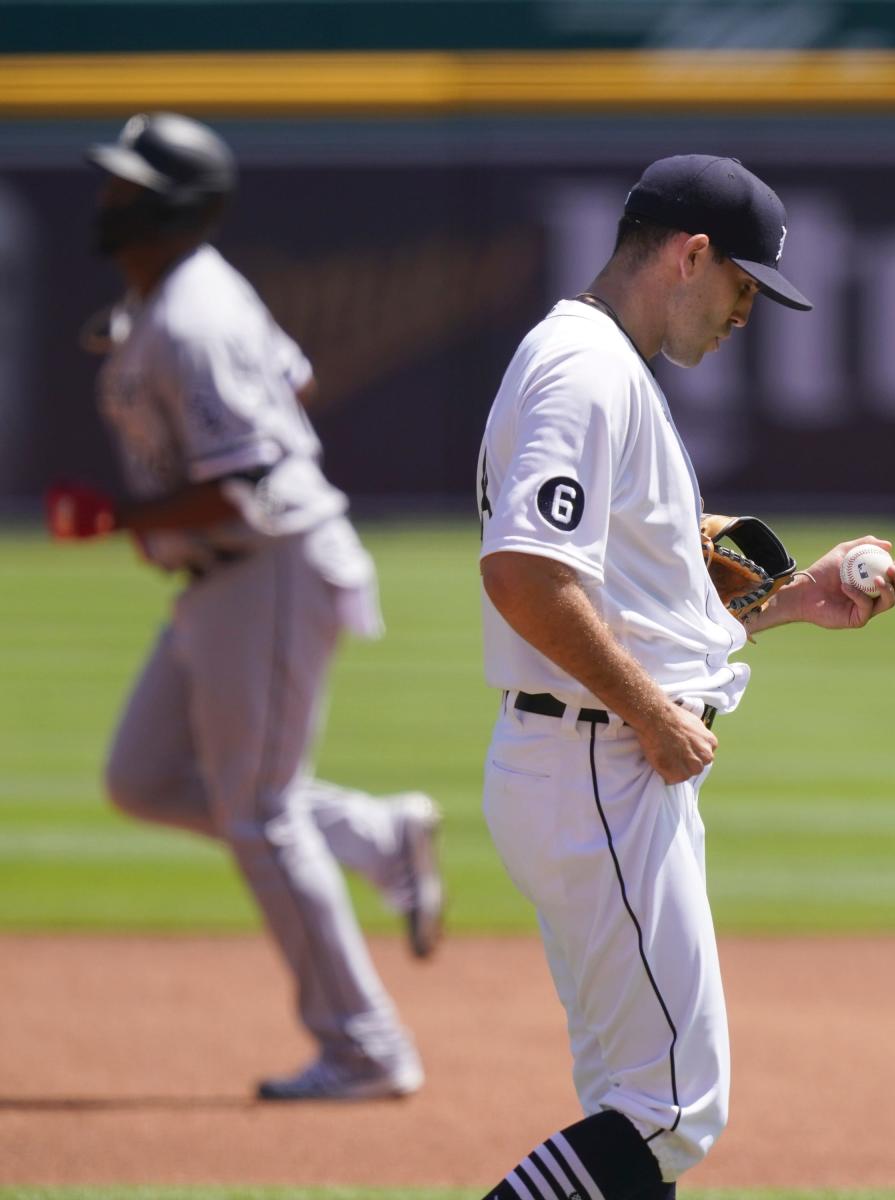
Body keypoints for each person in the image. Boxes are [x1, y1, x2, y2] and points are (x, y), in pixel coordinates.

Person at [475, 155, 895, 1198]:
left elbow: (647, 613)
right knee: (668, 1112)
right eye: (743, 285)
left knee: (637, 1099)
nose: (748, 311)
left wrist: (794, 600)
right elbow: (525, 575)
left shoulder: (606, 367)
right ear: (691, 255)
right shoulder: (584, 369)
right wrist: (652, 716)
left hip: (595, 759)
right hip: (599, 763)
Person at [45, 111, 444, 1102]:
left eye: (128, 186)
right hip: (223, 576)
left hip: (264, 566)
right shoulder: (182, 297)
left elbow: (252, 472)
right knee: (143, 778)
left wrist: (121, 515)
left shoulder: (194, 314)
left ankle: (364, 1047)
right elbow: (293, 381)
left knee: (260, 816)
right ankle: (369, 834)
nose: (108, 198)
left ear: (173, 205)